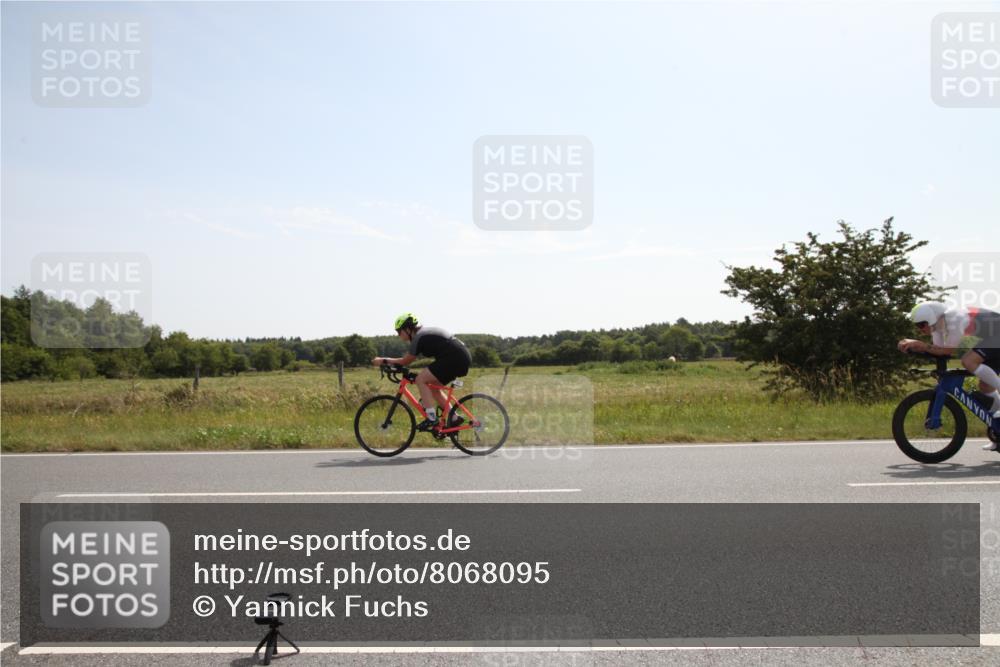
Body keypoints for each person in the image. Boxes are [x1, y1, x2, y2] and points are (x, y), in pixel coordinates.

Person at [898, 301, 1000, 450]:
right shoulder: (938, 326)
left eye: (921, 325)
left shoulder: (954, 319)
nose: (920, 329)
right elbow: (938, 351)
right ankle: (997, 432)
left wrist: (920, 344)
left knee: (968, 360)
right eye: (917, 326)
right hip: (993, 337)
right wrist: (913, 347)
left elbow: (948, 351)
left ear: (931, 318)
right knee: (985, 386)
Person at [372, 313, 472, 431]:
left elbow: (405, 361)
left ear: (407, 329)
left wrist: (383, 360)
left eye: (399, 331)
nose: (398, 335)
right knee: (434, 388)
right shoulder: (422, 335)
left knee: (421, 379)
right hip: (459, 357)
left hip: (455, 357)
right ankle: (454, 418)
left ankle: (431, 418)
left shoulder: (419, 337)